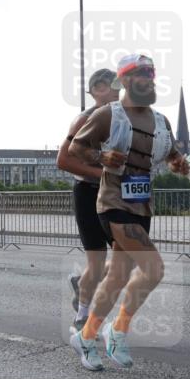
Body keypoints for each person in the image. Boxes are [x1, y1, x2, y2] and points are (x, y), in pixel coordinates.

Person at [66, 54, 189, 370]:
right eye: (141, 73)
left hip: (142, 204)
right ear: (125, 79)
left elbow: (173, 152)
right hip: (113, 203)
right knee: (154, 269)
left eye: (151, 73)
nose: (149, 78)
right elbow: (76, 149)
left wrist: (178, 163)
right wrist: (100, 156)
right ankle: (118, 329)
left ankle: (89, 334)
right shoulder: (110, 115)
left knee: (118, 275)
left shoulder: (160, 121)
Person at [56, 68, 119, 333]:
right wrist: (104, 174)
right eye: (109, 87)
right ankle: (82, 317)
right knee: (97, 259)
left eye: (118, 86)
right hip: (89, 195)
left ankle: (82, 281)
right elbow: (63, 161)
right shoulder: (83, 120)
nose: (116, 92)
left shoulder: (122, 119)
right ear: (95, 91)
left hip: (115, 195)